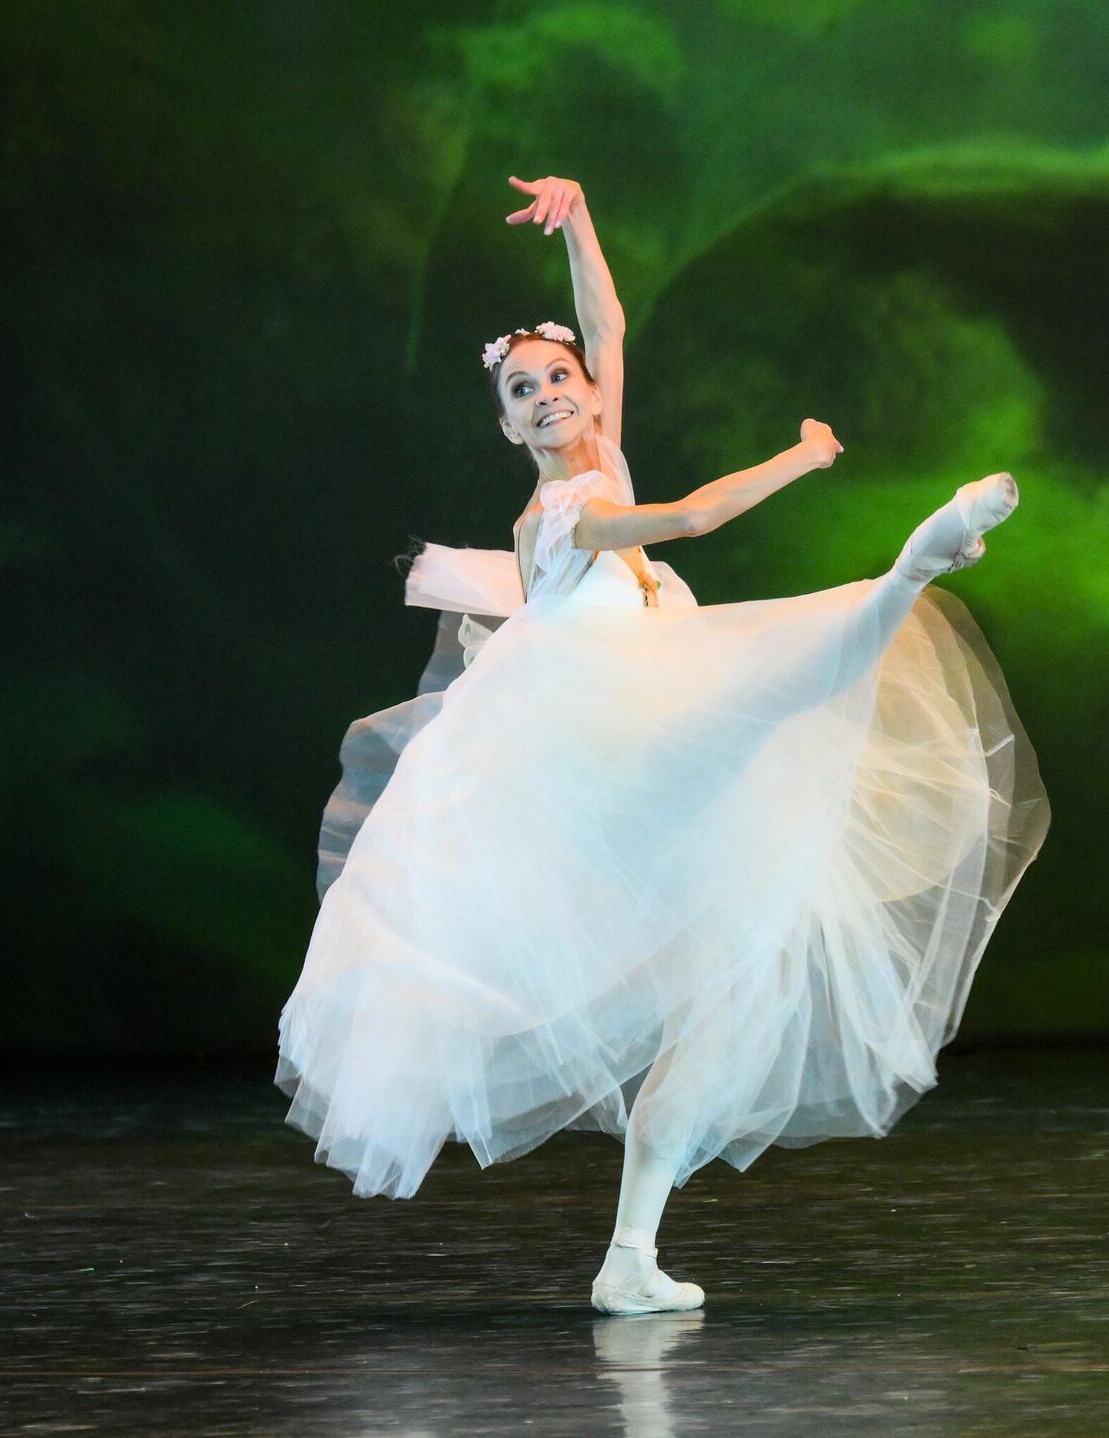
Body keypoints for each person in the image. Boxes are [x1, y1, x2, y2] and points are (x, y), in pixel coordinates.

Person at [276, 174, 1050, 1316]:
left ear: (589, 396)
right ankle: (911, 568)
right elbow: (688, 519)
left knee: (722, 998)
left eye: (558, 380)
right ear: (506, 427)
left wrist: (581, 215)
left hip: (655, 754)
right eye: (522, 392)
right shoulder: (565, 513)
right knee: (784, 681)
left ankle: (628, 1257)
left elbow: (608, 323)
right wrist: (802, 456)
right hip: (611, 770)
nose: (547, 395)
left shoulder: (602, 459)